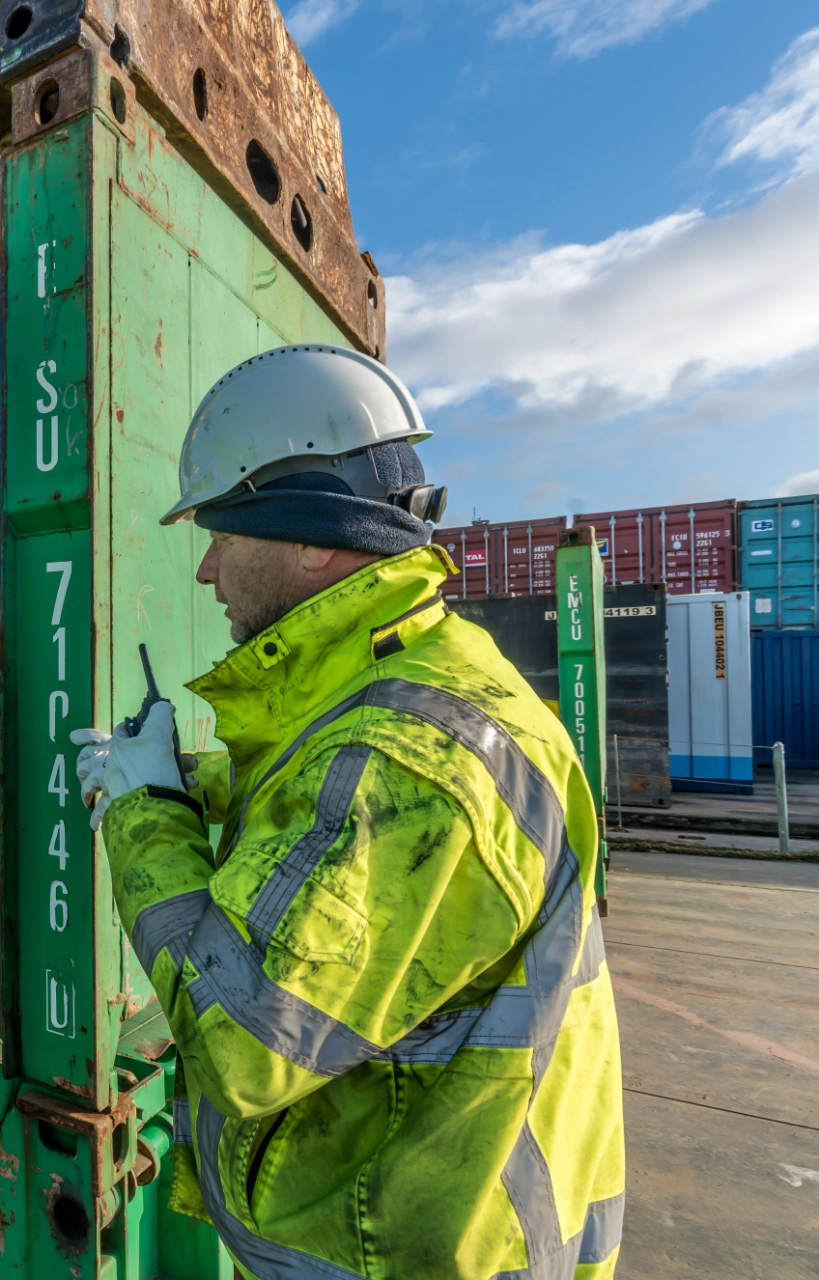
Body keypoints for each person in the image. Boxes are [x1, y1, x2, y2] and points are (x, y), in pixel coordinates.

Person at [75, 345, 624, 1279]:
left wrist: (145, 812)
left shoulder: (407, 760)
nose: (207, 570)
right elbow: (320, 795)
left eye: (222, 535)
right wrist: (187, 779)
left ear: (310, 535)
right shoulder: (423, 672)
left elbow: (242, 1044)